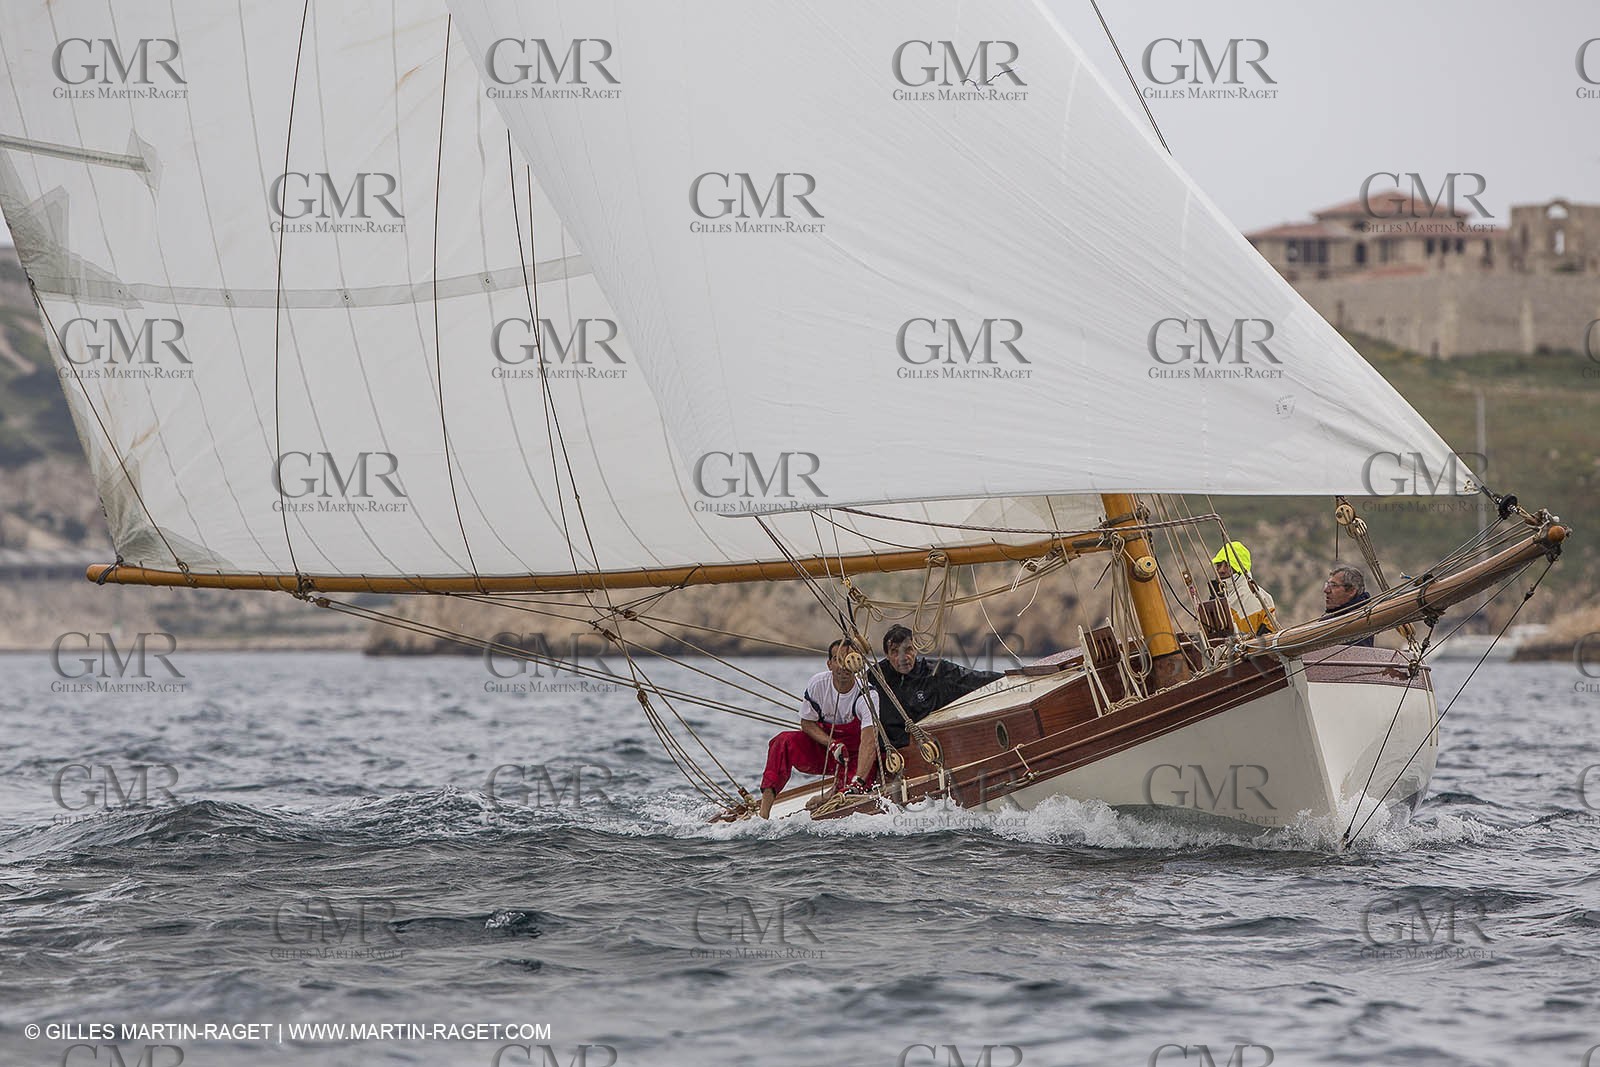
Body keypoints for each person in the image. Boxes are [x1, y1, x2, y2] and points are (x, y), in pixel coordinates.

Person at [758, 639, 879, 819]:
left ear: (858, 663)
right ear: (829, 664)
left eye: (850, 659)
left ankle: (831, 793)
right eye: (839, 659)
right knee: (782, 741)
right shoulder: (818, 684)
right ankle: (763, 813)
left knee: (850, 794)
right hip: (828, 750)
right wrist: (831, 744)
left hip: (856, 756)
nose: (844, 666)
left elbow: (869, 742)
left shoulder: (867, 695)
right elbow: (807, 723)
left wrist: (858, 781)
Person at [871, 624, 1003, 751]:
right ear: (886, 655)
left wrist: (1009, 677)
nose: (903, 657)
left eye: (908, 650)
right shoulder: (875, 678)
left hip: (933, 749)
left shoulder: (935, 672)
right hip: (892, 756)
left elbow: (972, 678)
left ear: (915, 650)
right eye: (895, 651)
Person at [1210, 541, 1277, 636]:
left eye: (1228, 565)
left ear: (1240, 568)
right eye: (1219, 565)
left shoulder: (1254, 596)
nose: (1221, 570)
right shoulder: (1218, 599)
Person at [1321, 564, 1375, 647]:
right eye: (1327, 585)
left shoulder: (1362, 619)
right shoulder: (1331, 618)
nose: (1326, 590)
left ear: (1351, 591)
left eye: (1333, 585)